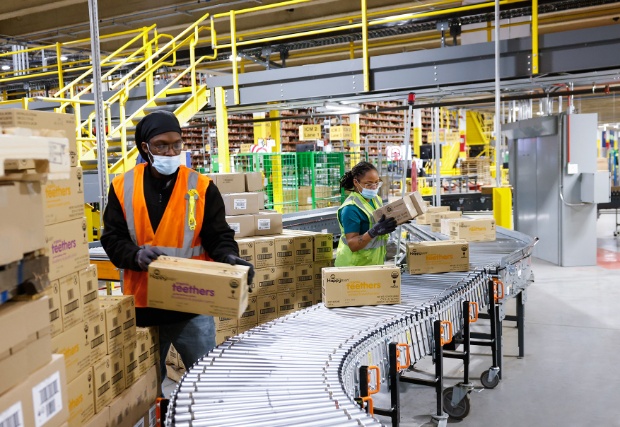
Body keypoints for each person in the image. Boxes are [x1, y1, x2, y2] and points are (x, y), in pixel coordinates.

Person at [100, 110, 254, 385]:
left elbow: (218, 236)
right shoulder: (122, 186)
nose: (170, 152)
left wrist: (230, 257)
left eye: (176, 144)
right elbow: (112, 239)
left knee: (205, 380)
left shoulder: (202, 186)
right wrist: (135, 255)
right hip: (142, 305)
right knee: (146, 387)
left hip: (191, 303)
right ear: (145, 147)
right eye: (162, 145)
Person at [335, 161, 397, 266]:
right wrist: (373, 232)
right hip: (354, 266)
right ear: (356, 182)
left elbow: (379, 222)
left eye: (377, 183)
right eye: (368, 184)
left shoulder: (376, 199)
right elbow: (353, 244)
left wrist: (397, 219)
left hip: (372, 263)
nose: (374, 187)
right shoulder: (350, 208)